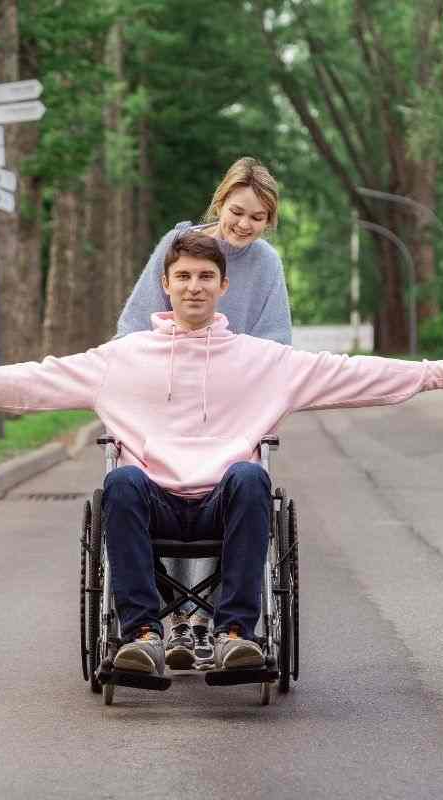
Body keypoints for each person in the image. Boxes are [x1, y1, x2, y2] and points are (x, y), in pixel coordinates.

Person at [0, 231, 443, 678]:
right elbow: (39, 379)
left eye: (206, 277)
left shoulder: (265, 362)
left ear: (223, 287)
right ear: (166, 284)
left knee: (251, 476)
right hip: (151, 504)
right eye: (183, 276)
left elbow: (348, 373)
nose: (195, 286)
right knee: (120, 483)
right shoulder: (121, 360)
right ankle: (143, 636)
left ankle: (236, 633)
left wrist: (439, 374)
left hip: (224, 505)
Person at [117, 156, 290, 669]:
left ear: (268, 221)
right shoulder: (179, 250)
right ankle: (167, 621)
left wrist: (244, 376)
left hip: (233, 396)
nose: (244, 225)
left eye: (257, 218)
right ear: (221, 203)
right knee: (155, 475)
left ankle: (218, 624)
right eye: (238, 212)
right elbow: (132, 326)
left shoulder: (267, 265)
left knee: (234, 476)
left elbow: (278, 340)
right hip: (166, 390)